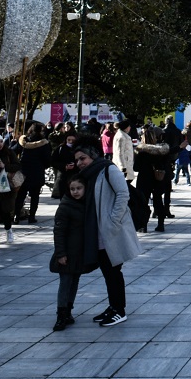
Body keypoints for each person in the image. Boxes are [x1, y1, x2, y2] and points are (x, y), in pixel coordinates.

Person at [73, 140, 142, 327]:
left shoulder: (108, 170)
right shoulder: (88, 175)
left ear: (93, 156)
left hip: (110, 231)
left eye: (83, 158)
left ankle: (119, 310)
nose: (80, 163)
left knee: (113, 271)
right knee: (108, 271)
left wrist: (113, 221)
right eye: (77, 159)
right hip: (98, 230)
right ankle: (113, 307)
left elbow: (123, 194)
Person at [50, 174, 95, 331]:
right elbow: (59, 231)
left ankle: (68, 311)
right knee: (65, 283)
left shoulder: (87, 204)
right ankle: (61, 314)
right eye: (72, 189)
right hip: (67, 253)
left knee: (74, 281)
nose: (75, 192)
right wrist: (61, 253)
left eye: (79, 188)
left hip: (79, 253)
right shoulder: (65, 206)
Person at [133, 125, 170, 232]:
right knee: (158, 201)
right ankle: (161, 224)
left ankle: (143, 226)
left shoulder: (141, 152)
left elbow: (136, 168)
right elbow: (165, 164)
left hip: (144, 180)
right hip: (157, 179)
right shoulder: (161, 151)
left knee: (143, 203)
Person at [15, 124, 51, 223]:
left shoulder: (23, 141)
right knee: (35, 196)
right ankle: (32, 217)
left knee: (20, 195)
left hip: (23, 172)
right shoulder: (44, 144)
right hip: (37, 172)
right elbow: (47, 160)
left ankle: (16, 216)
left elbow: (13, 151)